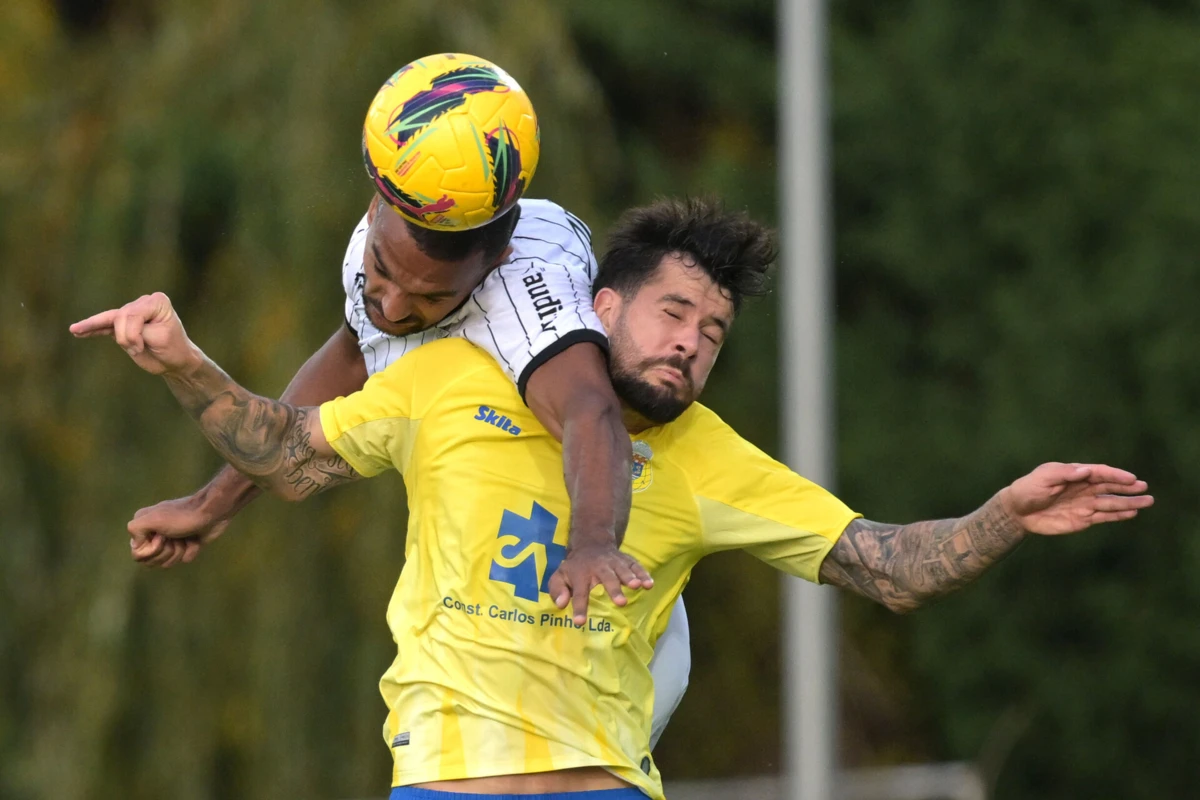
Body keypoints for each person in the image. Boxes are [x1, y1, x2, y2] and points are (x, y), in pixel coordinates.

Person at [72, 197, 1153, 800]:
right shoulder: (454, 379)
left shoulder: (708, 457)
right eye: (675, 310)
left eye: (714, 331)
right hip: (451, 783)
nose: (690, 340)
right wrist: (182, 362)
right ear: (597, 305)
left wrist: (1005, 513)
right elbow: (289, 456)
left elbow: (887, 563)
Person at [124, 62, 692, 748]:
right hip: (495, 605)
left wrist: (594, 544)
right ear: (375, 208)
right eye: (384, 274)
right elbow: (350, 355)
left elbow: (591, 414)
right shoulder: (381, 247)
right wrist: (212, 505)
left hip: (602, 602)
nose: (392, 306)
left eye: (429, 301)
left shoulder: (527, 301)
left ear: (493, 263)